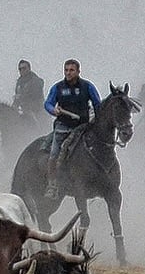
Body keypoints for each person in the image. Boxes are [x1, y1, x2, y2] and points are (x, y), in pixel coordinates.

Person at [43, 59, 102, 197]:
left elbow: (97, 104)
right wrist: (53, 110)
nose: (68, 73)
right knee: (54, 154)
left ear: (78, 71)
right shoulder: (57, 88)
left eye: (71, 70)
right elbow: (48, 103)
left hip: (83, 127)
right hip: (63, 127)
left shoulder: (87, 87)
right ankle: (52, 184)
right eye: (66, 70)